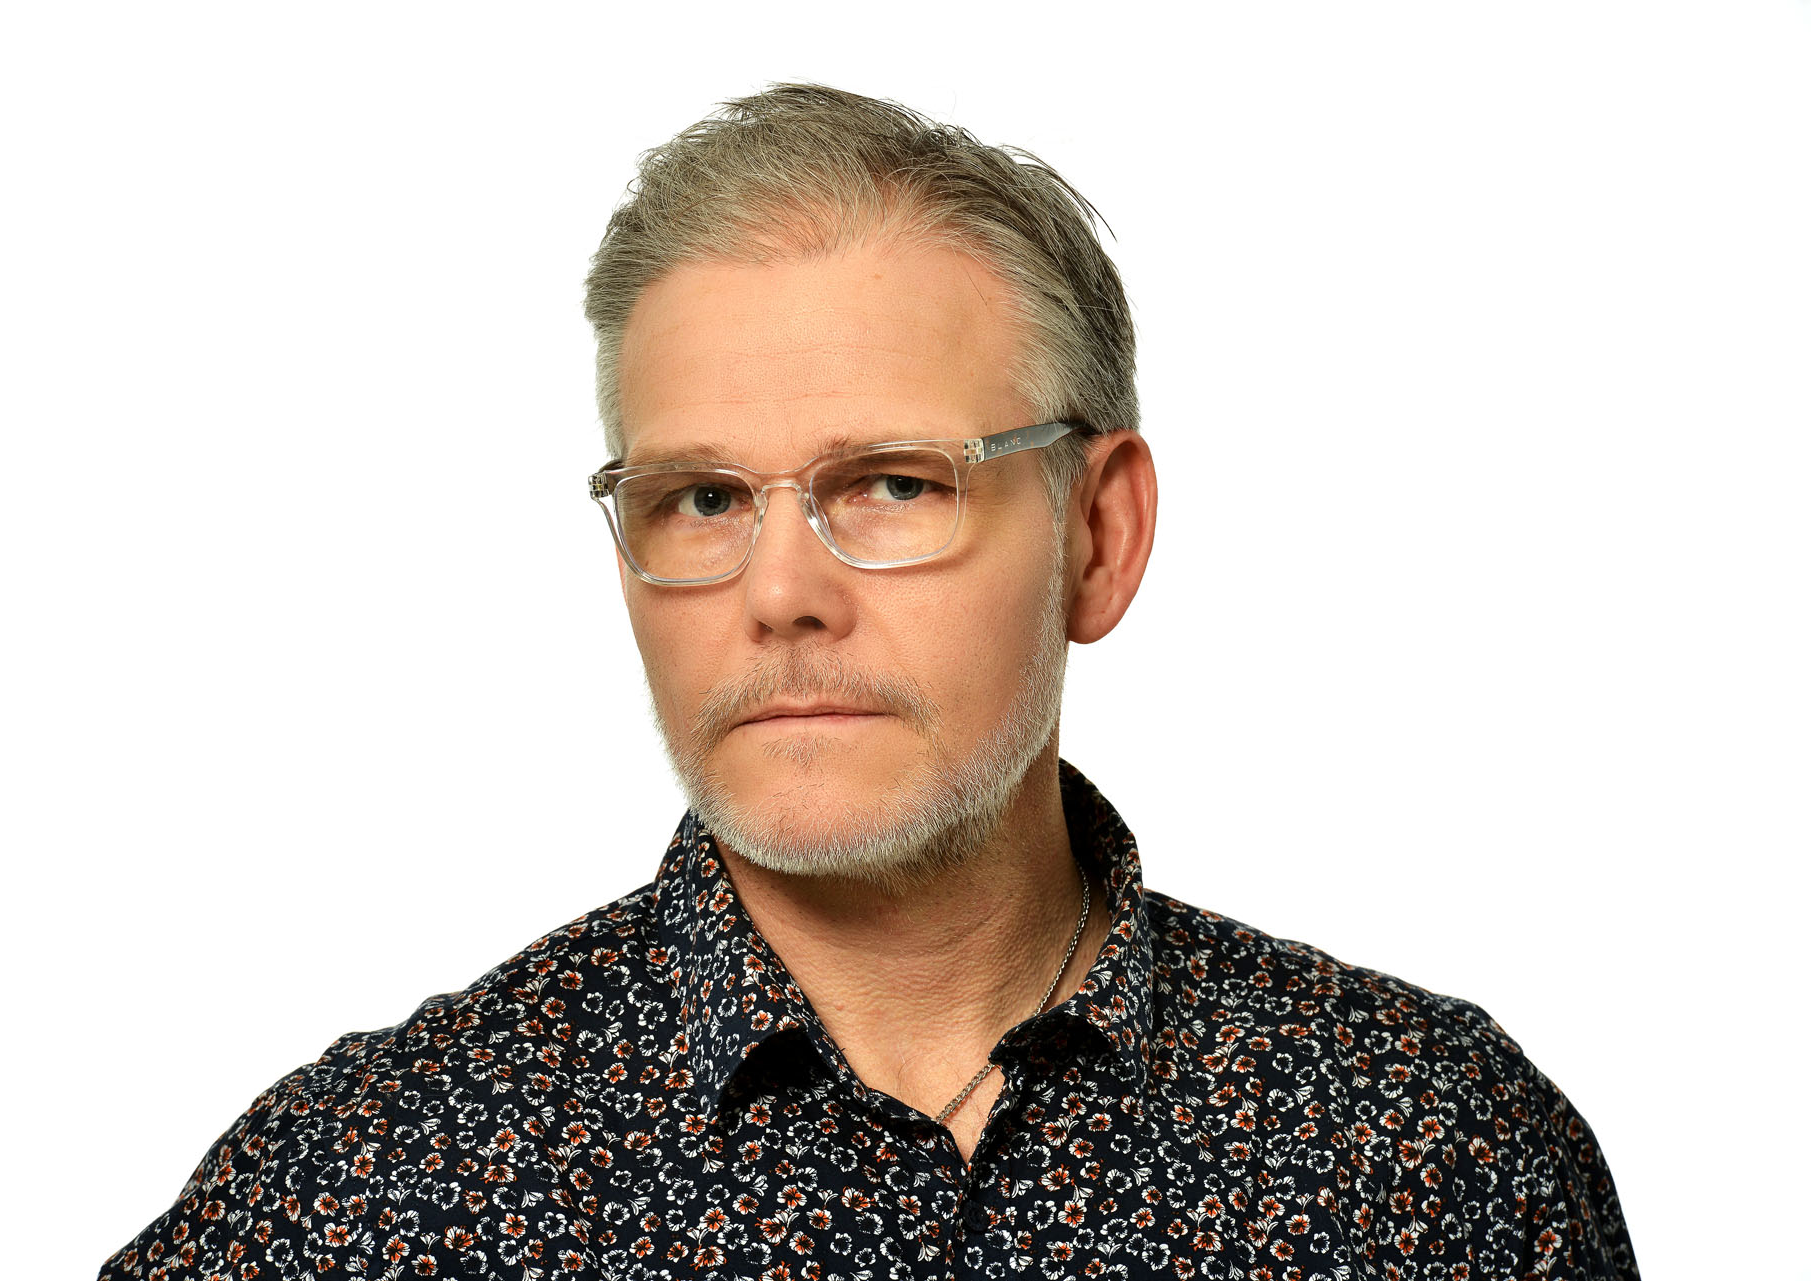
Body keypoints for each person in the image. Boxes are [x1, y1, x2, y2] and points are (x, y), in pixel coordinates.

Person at [102, 84, 1636, 1281]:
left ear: (1098, 536)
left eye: (895, 484)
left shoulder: (1430, 1158)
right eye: (703, 499)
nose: (780, 593)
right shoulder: (363, 1192)